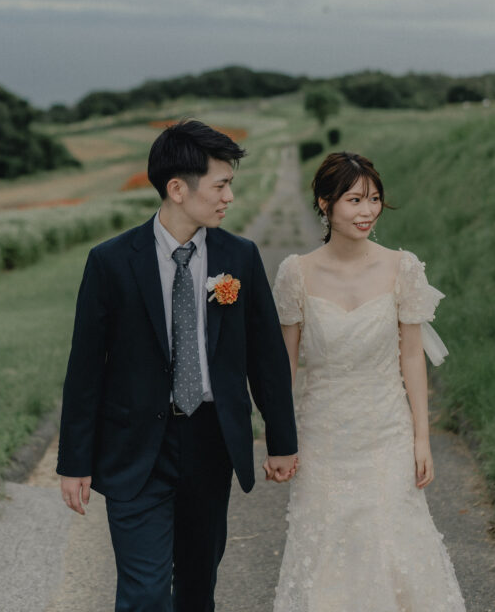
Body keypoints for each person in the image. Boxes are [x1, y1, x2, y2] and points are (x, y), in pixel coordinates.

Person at [57, 119, 298, 612]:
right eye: (221, 184)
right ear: (177, 189)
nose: (229, 196)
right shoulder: (110, 261)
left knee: (195, 588)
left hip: (211, 442)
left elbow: (266, 358)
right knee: (144, 593)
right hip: (134, 448)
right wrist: (74, 462)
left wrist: (281, 440)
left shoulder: (240, 257)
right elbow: (85, 369)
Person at [272, 151, 465, 612]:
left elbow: (412, 357)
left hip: (386, 431)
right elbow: (285, 367)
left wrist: (422, 438)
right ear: (325, 203)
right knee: (328, 548)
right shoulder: (295, 273)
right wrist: (280, 438)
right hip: (322, 434)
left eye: (374, 199)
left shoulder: (403, 268)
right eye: (354, 200)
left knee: (394, 542)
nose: (367, 211)